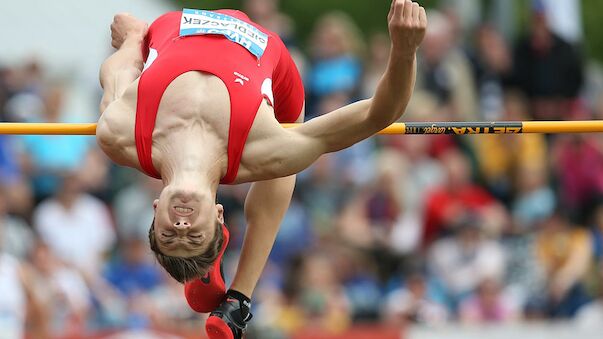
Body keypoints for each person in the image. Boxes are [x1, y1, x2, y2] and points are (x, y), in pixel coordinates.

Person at [96, 1, 426, 338]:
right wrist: (404, 50)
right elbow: (379, 114)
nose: (182, 224)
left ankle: (233, 294)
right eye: (193, 234)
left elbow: (117, 73)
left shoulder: (120, 135)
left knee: (279, 161)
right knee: (282, 165)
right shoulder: (261, 147)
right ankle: (239, 299)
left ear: (156, 211)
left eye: (170, 233)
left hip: (176, 26)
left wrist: (133, 38)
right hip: (276, 76)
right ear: (219, 216)